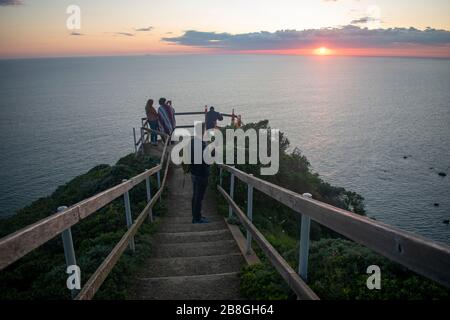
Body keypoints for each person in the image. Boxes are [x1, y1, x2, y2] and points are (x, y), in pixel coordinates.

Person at [190, 123, 210, 224]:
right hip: (202, 174)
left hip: (193, 173)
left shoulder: (192, 141)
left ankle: (195, 216)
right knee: (199, 197)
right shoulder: (202, 144)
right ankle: (197, 218)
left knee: (195, 196)